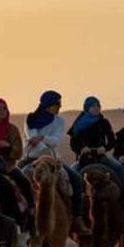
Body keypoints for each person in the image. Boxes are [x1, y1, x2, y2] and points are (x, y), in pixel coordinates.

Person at [21, 90, 89, 232]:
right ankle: (19, 219)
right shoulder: (30, 118)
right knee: (17, 180)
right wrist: (42, 146)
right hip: (31, 158)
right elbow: (31, 137)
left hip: (53, 159)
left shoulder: (59, 121)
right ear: (48, 105)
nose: (60, 106)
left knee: (76, 180)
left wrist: (42, 138)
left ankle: (77, 219)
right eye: (57, 104)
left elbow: (56, 140)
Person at [68, 95, 124, 196]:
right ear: (87, 108)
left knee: (119, 167)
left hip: (100, 156)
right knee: (71, 172)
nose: (96, 108)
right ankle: (71, 199)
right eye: (93, 106)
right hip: (84, 158)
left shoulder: (104, 122)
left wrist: (104, 148)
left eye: (98, 105)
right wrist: (81, 149)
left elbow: (112, 140)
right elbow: (73, 143)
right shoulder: (78, 124)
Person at [0, 99, 23, 166]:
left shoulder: (13, 129)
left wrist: (8, 146)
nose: (2, 110)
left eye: (5, 108)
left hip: (8, 167)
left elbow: (19, 153)